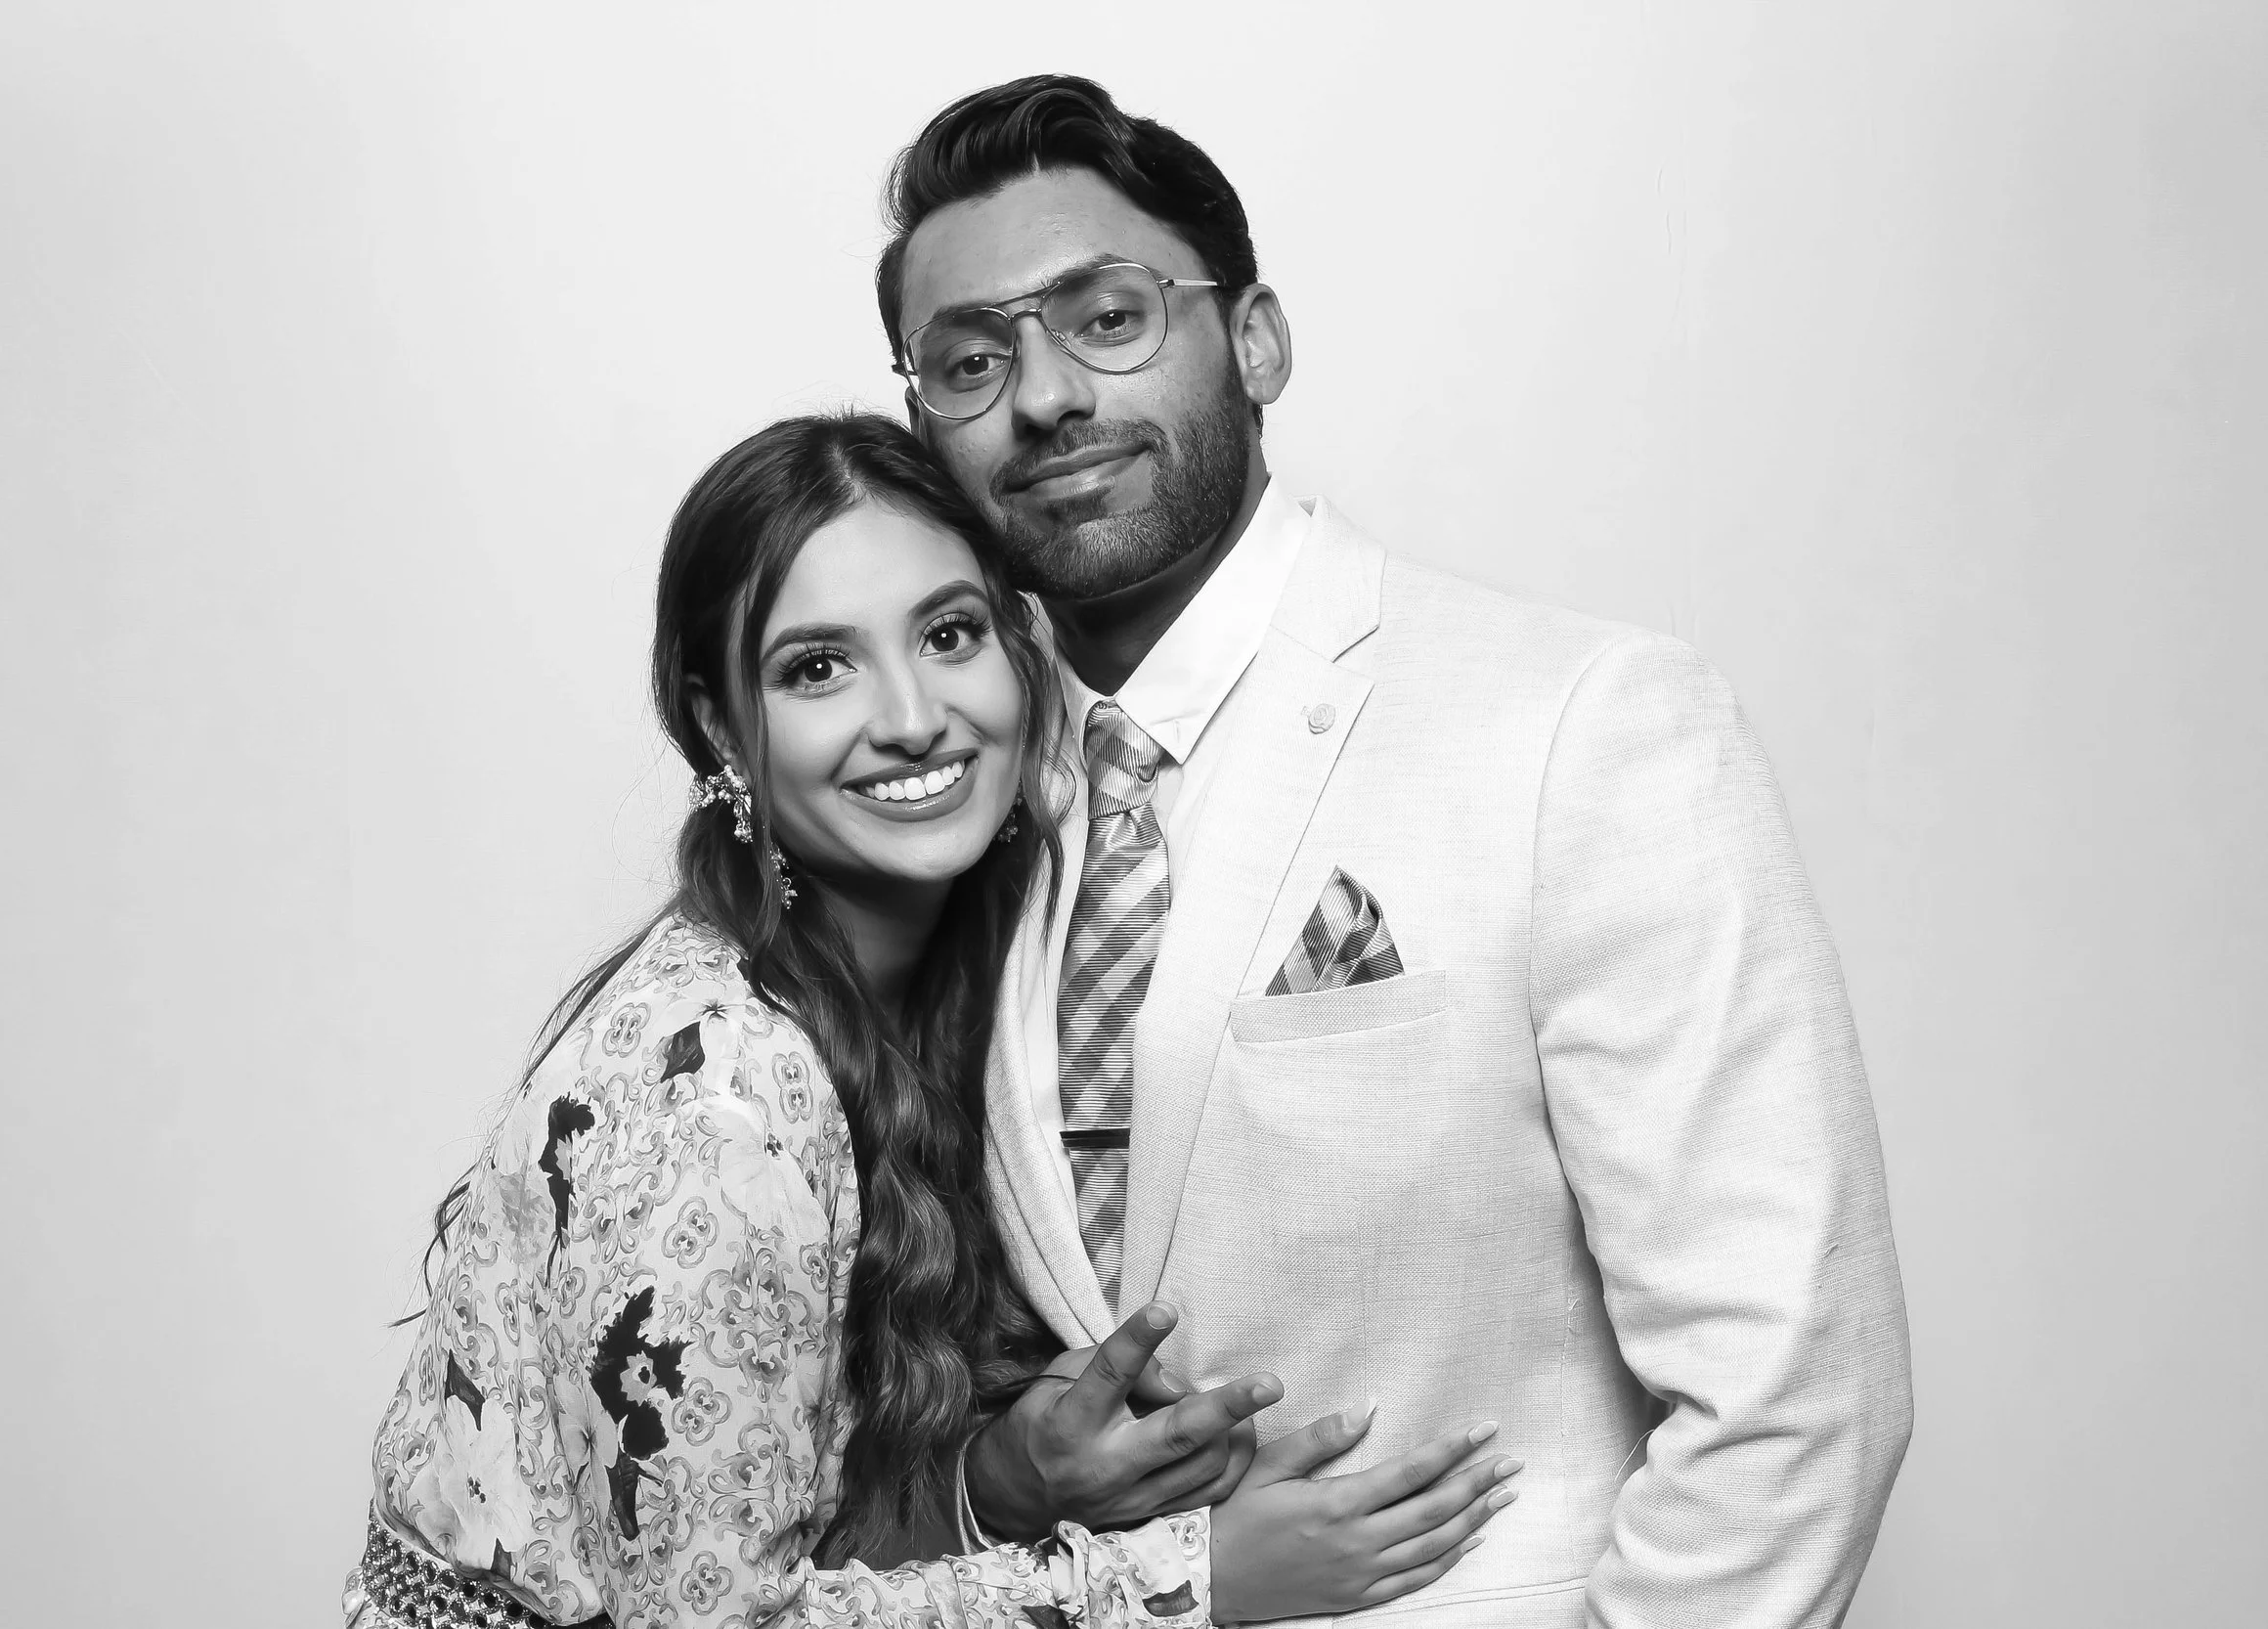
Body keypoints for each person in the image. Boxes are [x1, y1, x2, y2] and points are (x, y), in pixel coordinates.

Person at [875, 77, 1915, 1626]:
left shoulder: (1585, 724)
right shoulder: (948, 807)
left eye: (1107, 318)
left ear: (1257, 339)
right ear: (922, 423)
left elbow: (1795, 1396)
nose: (1043, 396)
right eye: (971, 359)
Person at [346, 415, 1525, 1629]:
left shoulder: (974, 975)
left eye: (947, 634)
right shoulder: (717, 1096)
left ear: (1020, 650)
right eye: (818, 667)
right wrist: (1187, 1586)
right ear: (717, 725)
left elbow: (786, 1514)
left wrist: (996, 1485)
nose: (910, 715)